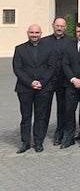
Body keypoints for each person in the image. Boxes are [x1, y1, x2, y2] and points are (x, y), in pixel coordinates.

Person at [12, 24, 56, 153]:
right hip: (25, 88)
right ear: (27, 33)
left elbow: (51, 67)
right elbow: (17, 69)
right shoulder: (20, 49)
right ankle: (25, 142)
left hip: (44, 87)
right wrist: (30, 82)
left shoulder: (49, 48)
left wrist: (41, 82)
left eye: (37, 32)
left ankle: (38, 142)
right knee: (26, 116)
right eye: (32, 32)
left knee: (40, 116)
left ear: (41, 33)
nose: (34, 35)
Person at [60, 22, 80, 149]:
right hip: (71, 85)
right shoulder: (69, 46)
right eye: (78, 31)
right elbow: (65, 64)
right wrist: (73, 79)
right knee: (69, 111)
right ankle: (69, 138)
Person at [42, 17, 70, 145]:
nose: (59, 28)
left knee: (63, 109)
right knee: (44, 109)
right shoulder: (44, 42)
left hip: (64, 80)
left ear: (65, 27)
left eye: (62, 26)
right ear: (53, 26)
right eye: (57, 25)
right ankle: (40, 135)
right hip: (48, 80)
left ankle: (60, 134)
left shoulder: (71, 41)